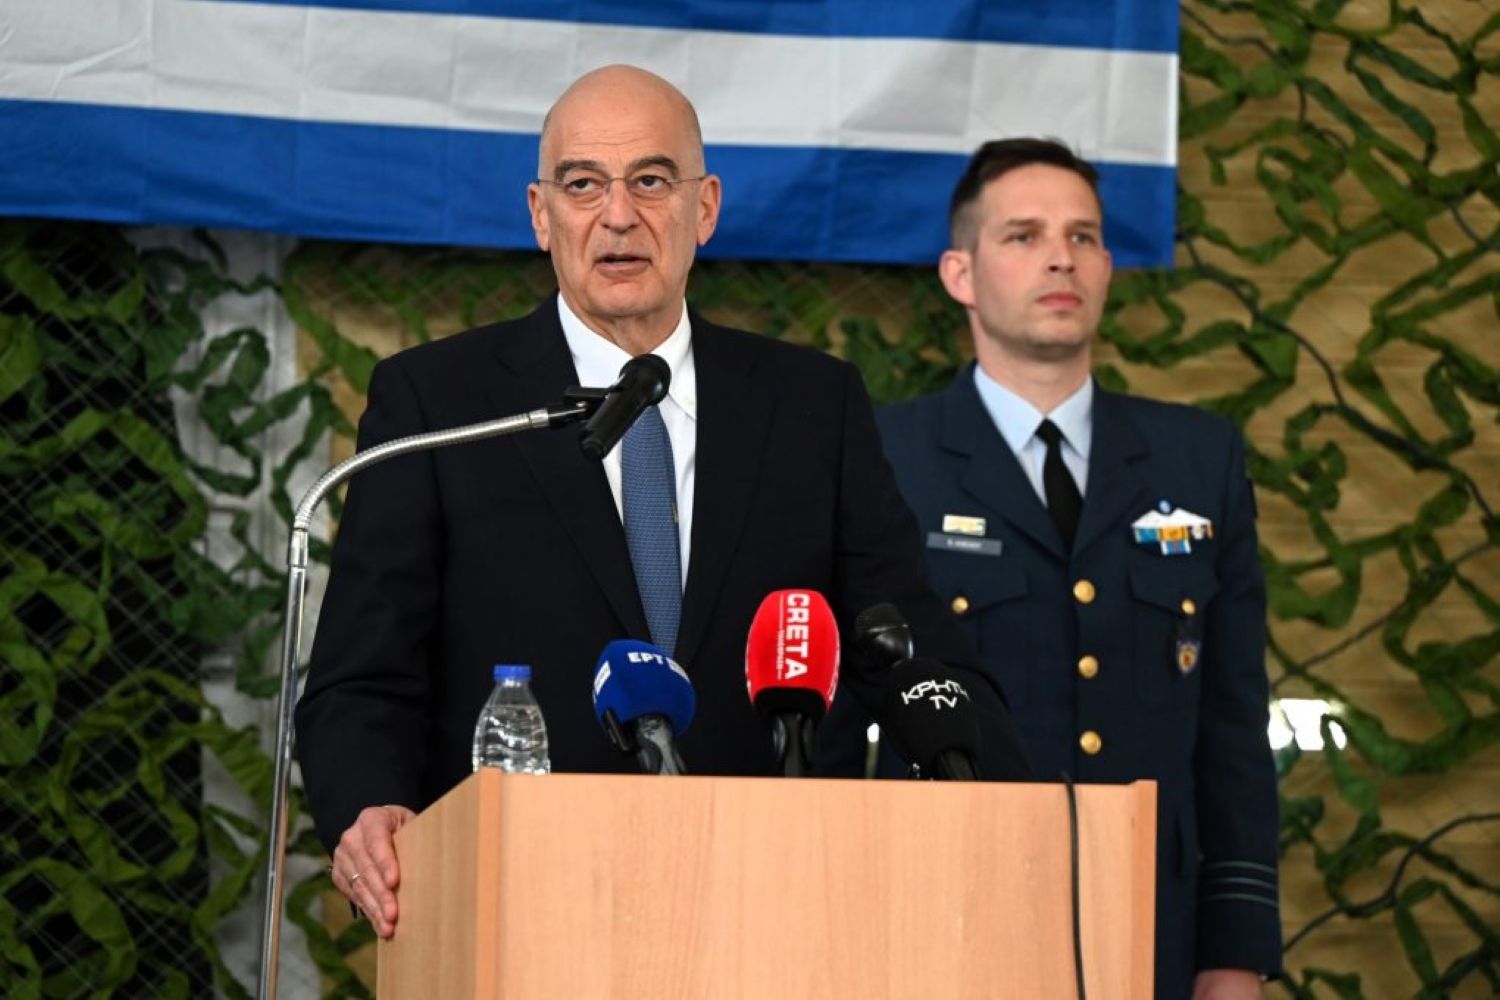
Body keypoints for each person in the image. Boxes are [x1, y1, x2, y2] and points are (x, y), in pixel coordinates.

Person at [293, 66, 1030, 940]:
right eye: (582, 184)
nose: (617, 215)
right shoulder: (441, 403)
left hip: (772, 904)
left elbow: (905, 641)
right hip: (519, 903)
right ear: (540, 214)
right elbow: (363, 676)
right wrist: (368, 807)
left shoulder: (810, 405)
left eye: (650, 180)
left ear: (704, 207)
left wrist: (1008, 801)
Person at [823, 139, 1282, 998]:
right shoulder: (886, 456)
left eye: (1083, 236)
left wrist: (1236, 950)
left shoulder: (1197, 460)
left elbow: (1232, 730)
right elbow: (836, 722)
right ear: (960, 273)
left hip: (1152, 926)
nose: (1060, 257)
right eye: (1024, 235)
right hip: (941, 917)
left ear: (1107, 267)